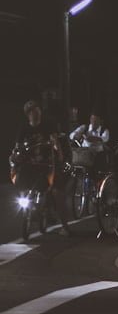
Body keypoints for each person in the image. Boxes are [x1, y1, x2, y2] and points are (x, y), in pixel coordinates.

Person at [9, 100, 70, 234]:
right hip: (29, 163)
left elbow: (55, 141)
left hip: (47, 162)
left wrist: (58, 154)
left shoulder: (48, 124)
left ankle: (65, 226)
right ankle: (28, 206)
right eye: (31, 111)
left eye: (36, 110)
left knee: (57, 191)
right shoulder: (24, 128)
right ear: (28, 115)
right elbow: (17, 147)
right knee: (21, 181)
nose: (35, 113)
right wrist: (15, 155)